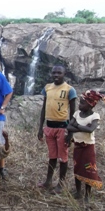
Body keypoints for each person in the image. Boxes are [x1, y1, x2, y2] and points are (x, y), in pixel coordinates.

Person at [37, 65, 77, 194]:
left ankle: (61, 183)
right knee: (52, 156)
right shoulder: (47, 88)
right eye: (54, 73)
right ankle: (48, 181)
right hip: (49, 127)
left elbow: (72, 113)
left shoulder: (69, 90)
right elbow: (43, 109)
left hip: (62, 128)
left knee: (63, 157)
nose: (56, 75)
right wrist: (40, 128)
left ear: (64, 74)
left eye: (59, 73)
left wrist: (70, 132)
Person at [67, 90, 105, 203]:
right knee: (77, 168)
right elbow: (69, 127)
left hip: (88, 147)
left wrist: (77, 125)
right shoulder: (77, 114)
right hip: (77, 145)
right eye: (80, 102)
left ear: (91, 104)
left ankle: (87, 194)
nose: (79, 105)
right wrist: (82, 127)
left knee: (88, 170)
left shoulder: (95, 116)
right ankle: (78, 191)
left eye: (82, 103)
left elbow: (91, 129)